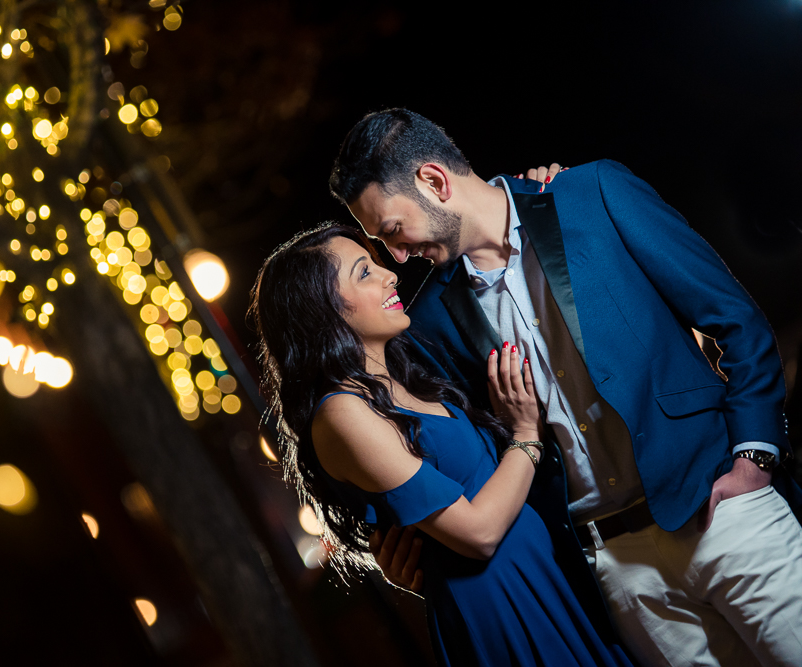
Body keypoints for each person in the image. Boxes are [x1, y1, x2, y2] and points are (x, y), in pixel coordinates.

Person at [328, 108, 802, 667]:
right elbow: (467, 457)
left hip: (720, 507)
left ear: (434, 181)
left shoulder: (591, 193)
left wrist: (753, 457)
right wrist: (419, 551)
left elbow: (735, 321)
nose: (398, 256)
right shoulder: (430, 319)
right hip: (616, 571)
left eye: (392, 230)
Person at [249, 223, 635, 666]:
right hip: (500, 605)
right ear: (321, 311)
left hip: (543, 577)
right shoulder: (341, 413)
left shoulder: (403, 374)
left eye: (376, 264)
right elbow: (479, 534)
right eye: (364, 273)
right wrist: (527, 437)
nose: (388, 275)